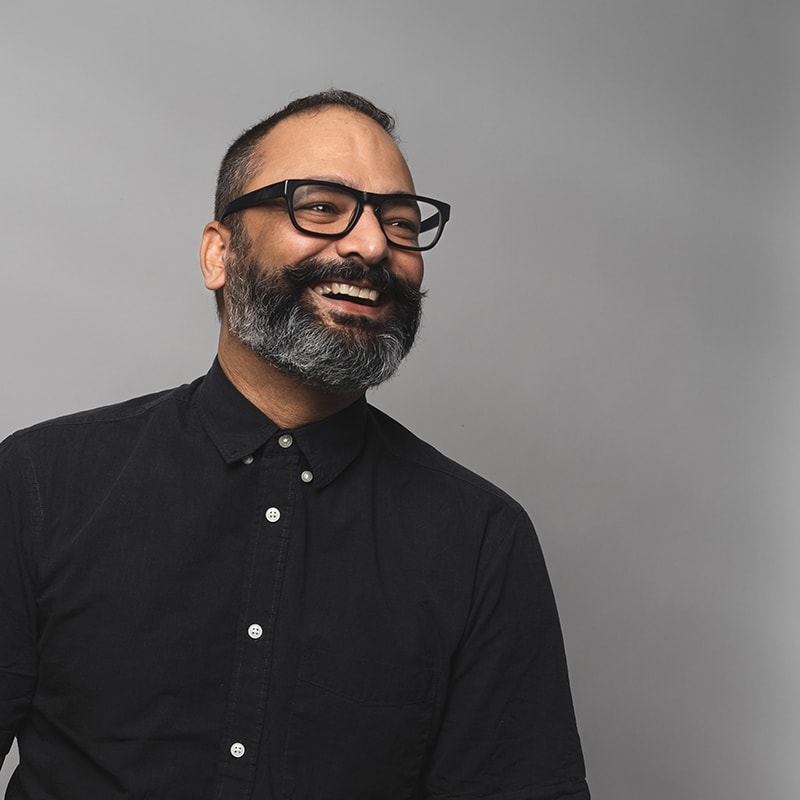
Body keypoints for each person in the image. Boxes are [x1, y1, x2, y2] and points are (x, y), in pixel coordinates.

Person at [0, 90, 589, 799]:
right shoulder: (40, 484)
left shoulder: (481, 542)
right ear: (219, 254)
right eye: (320, 207)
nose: (372, 245)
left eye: (400, 223)